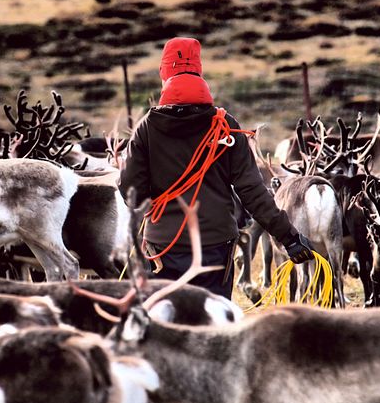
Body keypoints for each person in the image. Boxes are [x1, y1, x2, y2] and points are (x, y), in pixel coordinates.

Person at [118, 37, 313, 299]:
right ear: (199, 71)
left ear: (164, 74)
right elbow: (252, 192)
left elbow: (131, 192)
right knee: (213, 324)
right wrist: (288, 237)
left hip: (163, 247)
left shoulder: (147, 128)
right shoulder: (225, 124)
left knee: (165, 321)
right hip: (215, 245)